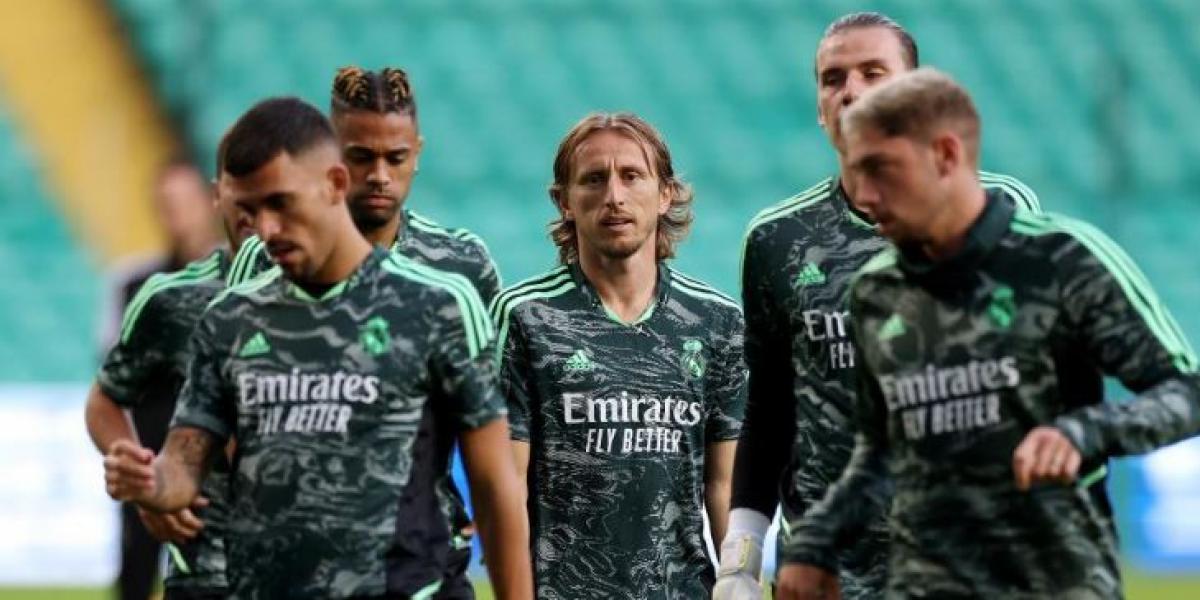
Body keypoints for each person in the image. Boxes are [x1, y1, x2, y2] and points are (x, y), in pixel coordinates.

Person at [776, 67, 1200, 599]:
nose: (865, 193)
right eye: (857, 171)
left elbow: (1187, 392)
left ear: (946, 156)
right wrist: (815, 540)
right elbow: (882, 454)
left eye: (882, 169)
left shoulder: (1061, 261)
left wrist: (1085, 432)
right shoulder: (875, 292)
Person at [102, 97, 532, 599]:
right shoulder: (229, 318)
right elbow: (185, 462)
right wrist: (150, 483)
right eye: (248, 210)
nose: (264, 230)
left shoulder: (437, 305)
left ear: (334, 184)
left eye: (280, 203)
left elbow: (494, 482)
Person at [718, 12, 1043, 598]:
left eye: (874, 72)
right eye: (833, 78)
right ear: (820, 107)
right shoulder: (778, 240)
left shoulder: (1001, 210)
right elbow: (769, 410)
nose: (852, 90)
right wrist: (740, 558)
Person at [226, 66, 503, 597]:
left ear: (416, 153)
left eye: (395, 158)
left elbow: (493, 411)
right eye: (361, 156)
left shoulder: (460, 265)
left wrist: (481, 505)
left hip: (429, 553)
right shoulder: (263, 261)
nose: (379, 174)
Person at [491, 112, 744, 598]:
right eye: (593, 179)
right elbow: (506, 488)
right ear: (563, 200)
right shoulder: (527, 317)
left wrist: (744, 581)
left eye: (631, 176)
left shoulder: (717, 321)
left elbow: (724, 486)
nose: (614, 196)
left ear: (665, 193)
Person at [87, 155, 236, 600]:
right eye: (165, 203)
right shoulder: (137, 285)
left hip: (217, 473)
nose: (175, 213)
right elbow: (111, 385)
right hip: (150, 456)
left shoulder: (253, 283)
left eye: (183, 201)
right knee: (136, 575)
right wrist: (136, 468)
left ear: (210, 200)